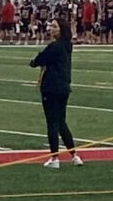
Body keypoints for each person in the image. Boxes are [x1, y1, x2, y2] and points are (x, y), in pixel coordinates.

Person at [29, 19, 83, 169]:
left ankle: (54, 158)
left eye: (54, 26)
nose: (51, 28)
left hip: (51, 87)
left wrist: (35, 61)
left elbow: (38, 60)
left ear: (60, 29)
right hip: (64, 86)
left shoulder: (54, 47)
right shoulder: (67, 46)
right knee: (61, 121)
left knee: (52, 123)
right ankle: (74, 156)